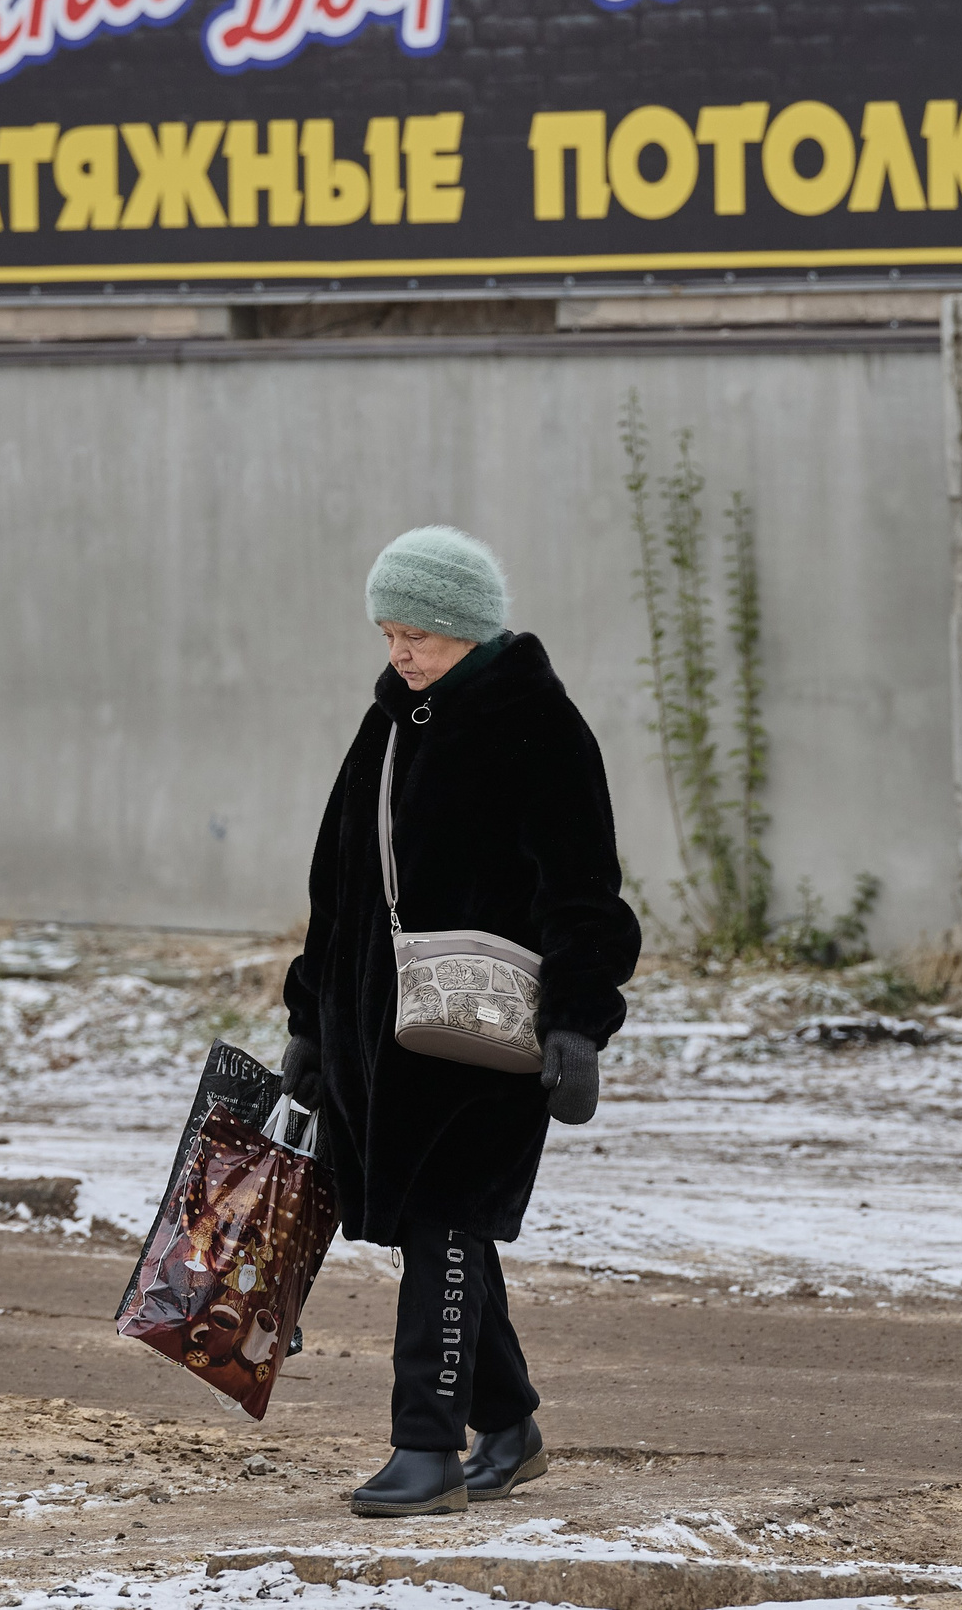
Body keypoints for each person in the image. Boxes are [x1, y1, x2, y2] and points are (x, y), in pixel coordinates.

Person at [280, 524, 641, 1518]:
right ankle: (510, 1424)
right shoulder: (389, 725)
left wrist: (576, 1027)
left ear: (473, 632)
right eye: (391, 632)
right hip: (377, 1040)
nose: (402, 651)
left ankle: (425, 1448)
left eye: (422, 635)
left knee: (444, 1223)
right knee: (444, 1229)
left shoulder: (539, 726)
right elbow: (339, 885)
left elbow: (584, 898)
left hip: (486, 1037)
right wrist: (311, 1023)